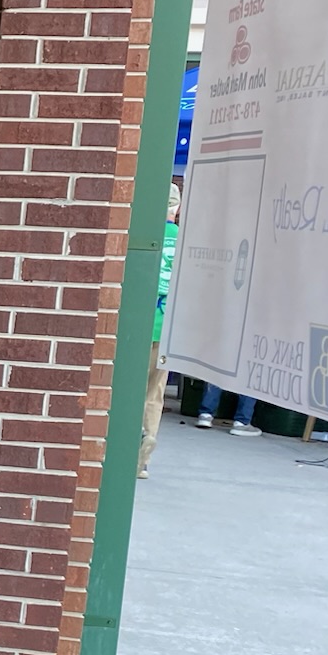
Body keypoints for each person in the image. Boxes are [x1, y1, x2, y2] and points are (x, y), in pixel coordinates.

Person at [138, 184, 181, 478]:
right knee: (154, 394)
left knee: (130, 390)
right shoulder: (185, 243)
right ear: (176, 209)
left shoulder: (144, 238)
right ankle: (142, 460)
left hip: (140, 326)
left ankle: (130, 440)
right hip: (167, 330)